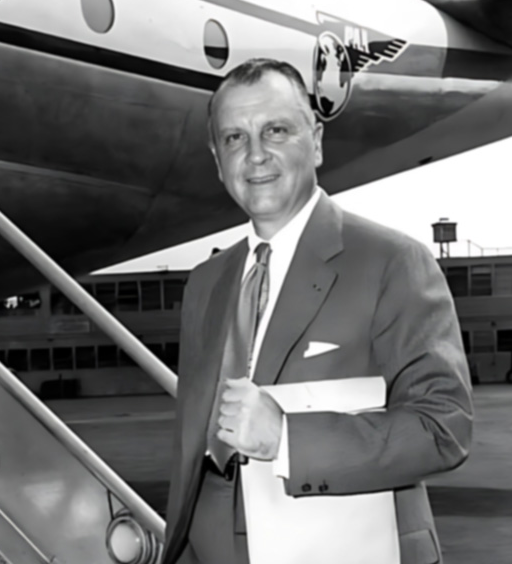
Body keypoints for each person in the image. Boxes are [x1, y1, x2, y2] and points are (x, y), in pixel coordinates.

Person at [162, 58, 473, 564]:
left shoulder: (392, 262)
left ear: (317, 141)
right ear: (218, 160)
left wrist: (287, 438)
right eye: (235, 138)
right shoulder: (205, 283)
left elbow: (444, 428)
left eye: (276, 130)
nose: (255, 155)